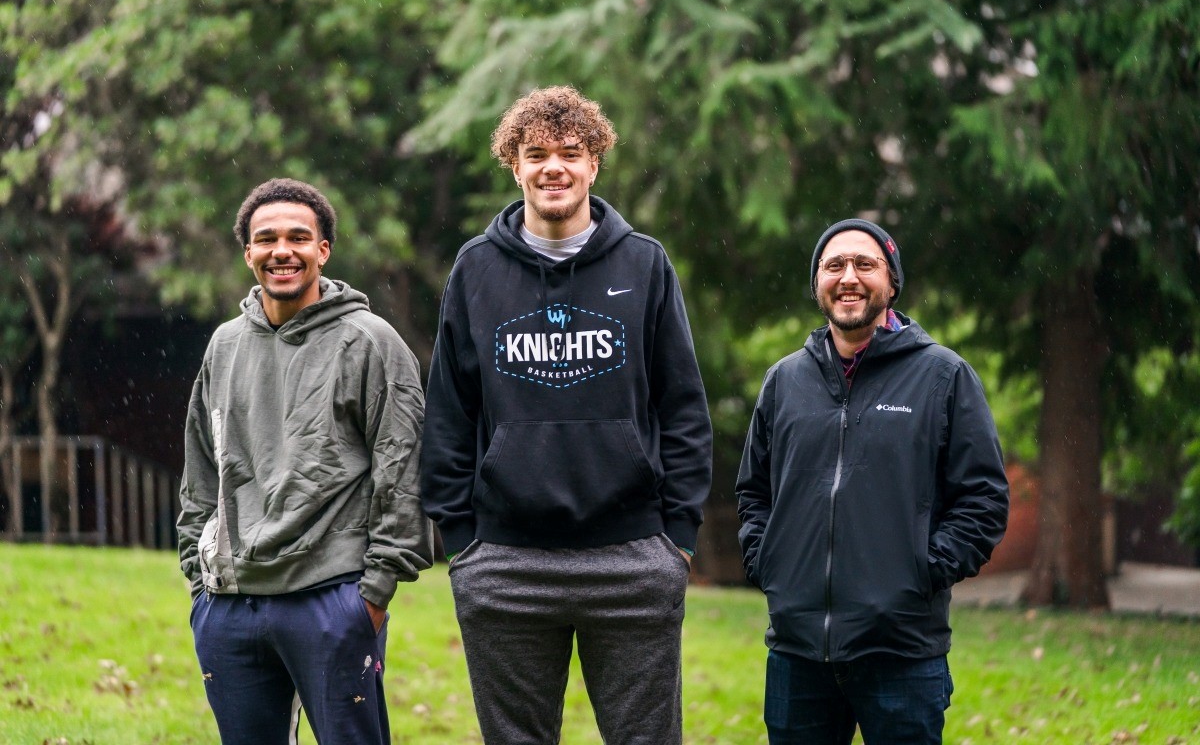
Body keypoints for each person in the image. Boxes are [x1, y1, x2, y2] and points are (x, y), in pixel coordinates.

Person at [420, 85, 713, 744]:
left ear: (593, 165)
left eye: (570, 153)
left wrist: (676, 537)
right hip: (506, 563)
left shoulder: (645, 263)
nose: (553, 167)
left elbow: (683, 409)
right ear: (515, 167)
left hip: (632, 558)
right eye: (536, 154)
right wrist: (463, 544)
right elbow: (449, 414)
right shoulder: (476, 269)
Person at [177, 177, 433, 745]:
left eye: (298, 237)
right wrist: (198, 580)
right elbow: (201, 467)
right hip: (230, 605)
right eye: (267, 239)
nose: (282, 251)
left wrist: (372, 594)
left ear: (323, 250)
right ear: (248, 252)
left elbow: (403, 467)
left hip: (332, 599)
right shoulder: (224, 345)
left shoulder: (369, 341)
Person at [735, 219, 1009, 745]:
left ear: (892, 281)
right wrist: (768, 563)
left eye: (865, 264)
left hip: (902, 654)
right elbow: (753, 493)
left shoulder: (943, 376)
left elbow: (984, 499)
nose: (848, 277)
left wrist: (923, 572)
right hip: (797, 655)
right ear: (817, 282)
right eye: (834, 265)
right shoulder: (784, 381)